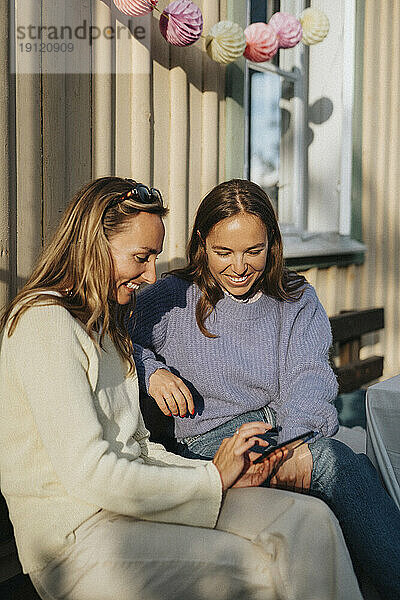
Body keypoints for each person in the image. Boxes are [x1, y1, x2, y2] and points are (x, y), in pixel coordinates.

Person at [0, 176, 363, 600]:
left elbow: (141, 449)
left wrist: (232, 475)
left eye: (154, 257)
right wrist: (211, 478)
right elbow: (92, 474)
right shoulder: (44, 325)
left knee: (309, 522)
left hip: (137, 506)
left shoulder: (105, 326)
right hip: (80, 537)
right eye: (141, 257)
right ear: (93, 246)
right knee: (271, 566)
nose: (152, 275)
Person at [130, 178, 400, 599]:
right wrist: (151, 371)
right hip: (210, 442)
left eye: (253, 251)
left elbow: (309, 379)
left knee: (353, 465)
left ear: (272, 243)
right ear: (202, 242)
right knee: (337, 465)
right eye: (224, 252)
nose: (239, 266)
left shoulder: (294, 297)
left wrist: (288, 446)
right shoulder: (173, 296)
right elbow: (113, 335)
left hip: (279, 427)